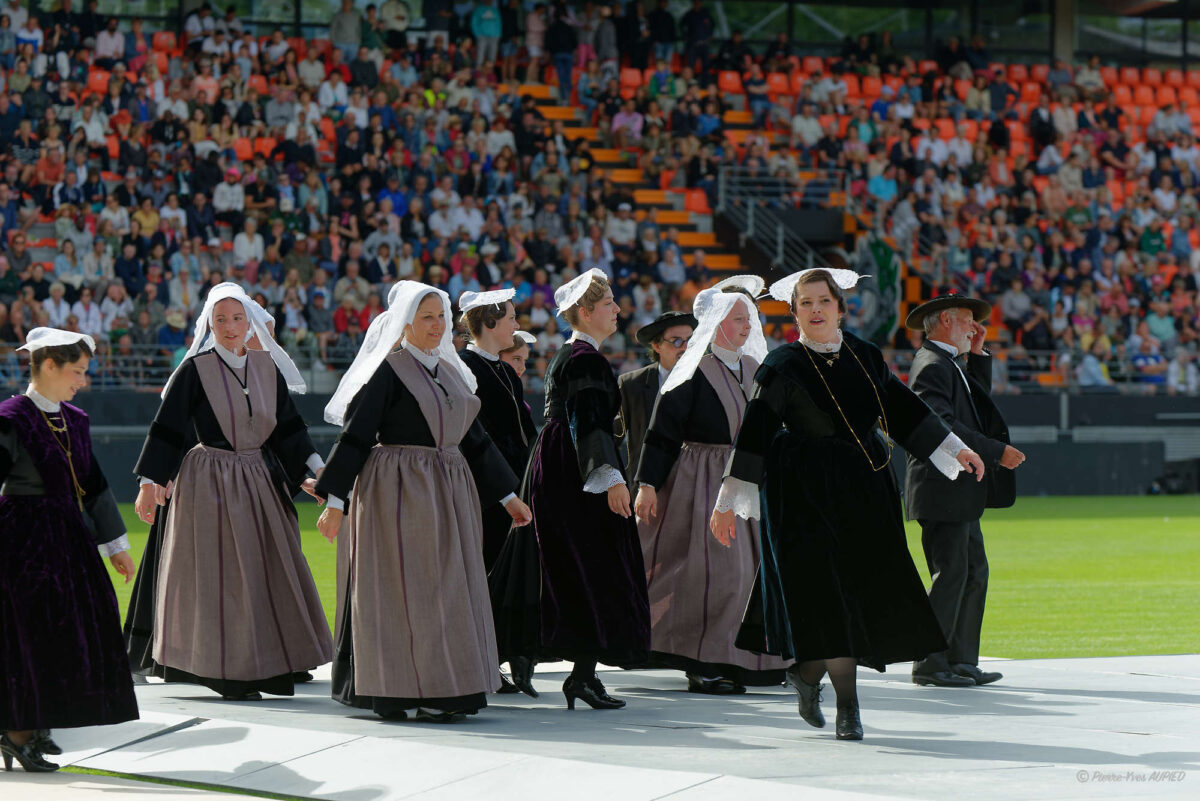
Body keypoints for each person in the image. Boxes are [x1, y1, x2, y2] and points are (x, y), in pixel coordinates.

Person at [709, 268, 986, 741]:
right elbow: (754, 431)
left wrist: (955, 447)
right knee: (828, 600)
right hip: (801, 496)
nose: (815, 310)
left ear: (839, 307)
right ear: (794, 312)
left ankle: (806, 674)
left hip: (865, 493)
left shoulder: (866, 355)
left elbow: (904, 411)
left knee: (856, 599)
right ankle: (848, 709)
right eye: (806, 303)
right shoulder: (782, 364)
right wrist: (727, 502)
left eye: (823, 301)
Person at [314, 281, 532, 723]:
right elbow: (355, 437)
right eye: (427, 317)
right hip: (396, 495)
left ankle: (448, 686)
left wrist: (509, 495)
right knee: (403, 593)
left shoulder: (450, 372)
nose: (437, 325)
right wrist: (335, 500)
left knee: (448, 590)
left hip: (449, 495)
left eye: (441, 317)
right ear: (406, 323)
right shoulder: (388, 370)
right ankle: (400, 688)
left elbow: (474, 439)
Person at [133, 284, 332, 701]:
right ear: (209, 323)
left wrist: (315, 473)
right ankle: (223, 669)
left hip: (258, 479)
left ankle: (269, 665)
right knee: (217, 577)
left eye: (237, 318)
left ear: (250, 322)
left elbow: (289, 429)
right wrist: (148, 485)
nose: (229, 327)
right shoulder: (195, 369)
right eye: (220, 319)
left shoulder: (265, 368)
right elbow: (168, 429)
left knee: (264, 573)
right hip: (209, 483)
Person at [489, 268, 651, 710]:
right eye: (607, 305)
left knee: (572, 566)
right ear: (583, 312)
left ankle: (573, 670)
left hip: (561, 462)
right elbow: (589, 420)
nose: (617, 310)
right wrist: (611, 478)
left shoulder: (575, 355)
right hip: (575, 469)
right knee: (591, 564)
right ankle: (576, 672)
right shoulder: (586, 359)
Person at [633, 276, 790, 694]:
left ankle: (752, 659)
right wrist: (647, 483)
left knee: (755, 573)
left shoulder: (757, 368)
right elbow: (661, 432)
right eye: (739, 319)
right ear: (717, 322)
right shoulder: (691, 368)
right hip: (702, 480)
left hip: (750, 481)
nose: (747, 326)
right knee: (720, 574)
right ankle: (705, 662)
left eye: (749, 319)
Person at [1, 328, 138, 773]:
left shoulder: (75, 419)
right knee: (27, 635)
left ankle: (40, 721)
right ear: (47, 365)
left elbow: (94, 485)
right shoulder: (10, 417)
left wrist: (115, 544)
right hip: (20, 545)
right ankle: (16, 730)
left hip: (69, 542)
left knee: (71, 630)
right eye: (77, 372)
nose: (82, 380)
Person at [903, 294, 1021, 688]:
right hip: (942, 490)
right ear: (942, 322)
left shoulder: (948, 363)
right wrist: (995, 451)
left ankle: (961, 660)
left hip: (957, 492)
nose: (974, 327)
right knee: (952, 573)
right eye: (968, 320)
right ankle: (930, 663)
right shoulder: (931, 365)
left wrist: (976, 353)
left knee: (972, 573)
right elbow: (944, 425)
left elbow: (975, 408)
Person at [457, 289, 537, 570]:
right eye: (512, 318)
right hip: (484, 494)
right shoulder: (462, 368)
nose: (517, 325)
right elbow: (471, 437)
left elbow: (527, 436)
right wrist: (505, 492)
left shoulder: (506, 372)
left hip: (518, 490)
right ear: (491, 323)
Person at [616, 310, 696, 489]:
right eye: (676, 341)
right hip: (644, 490)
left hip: (693, 489)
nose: (685, 347)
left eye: (690, 341)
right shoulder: (631, 384)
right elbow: (613, 438)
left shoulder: (708, 380)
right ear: (657, 346)